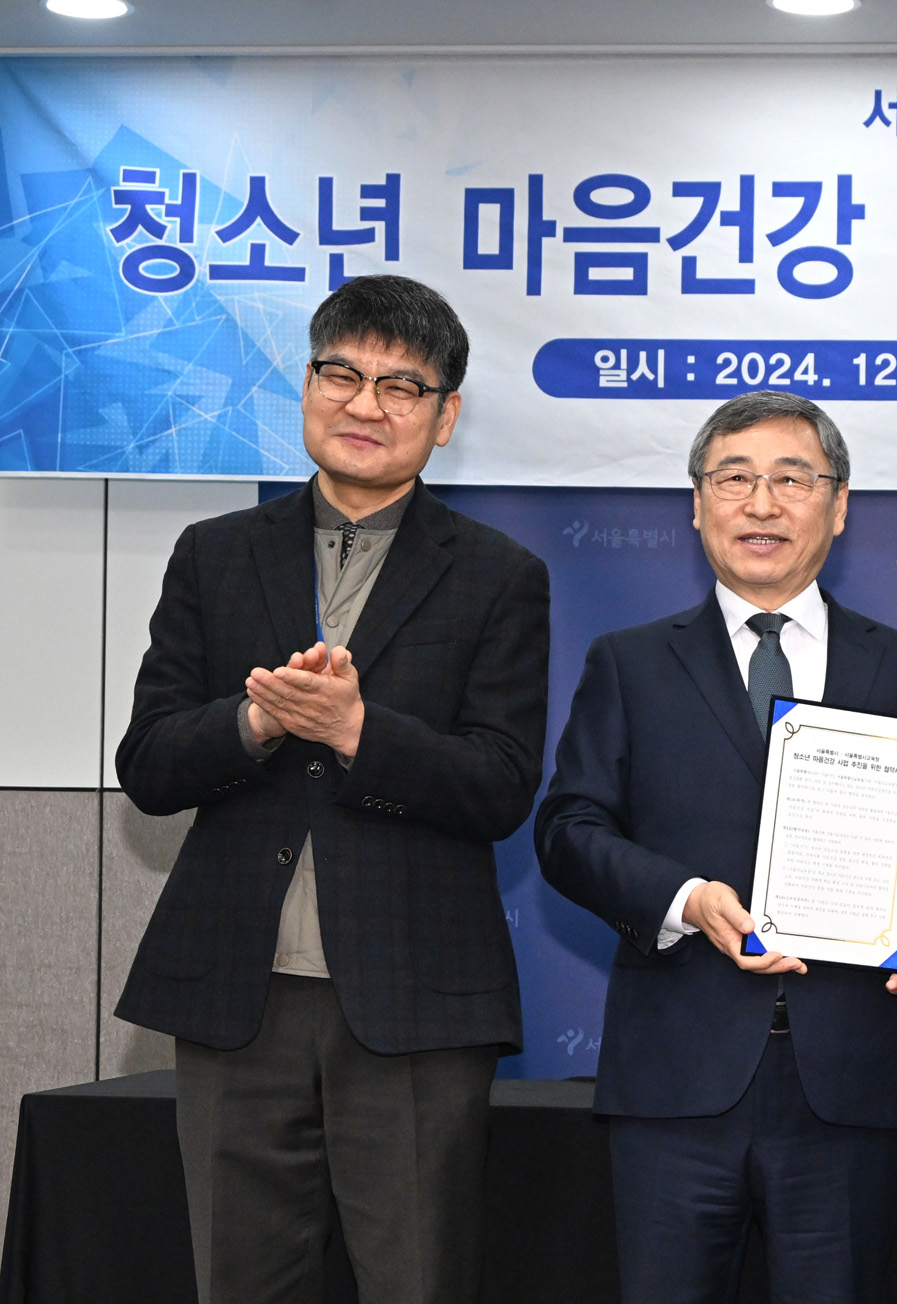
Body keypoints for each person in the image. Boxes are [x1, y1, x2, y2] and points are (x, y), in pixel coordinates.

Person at [115, 275, 551, 1304]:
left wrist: (360, 732)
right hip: (236, 992)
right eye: (341, 374)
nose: (366, 404)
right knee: (239, 1281)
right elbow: (150, 763)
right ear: (307, 387)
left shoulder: (499, 574)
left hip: (414, 1005)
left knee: (415, 1281)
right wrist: (256, 720)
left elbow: (500, 784)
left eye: (402, 386)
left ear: (445, 416)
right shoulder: (215, 553)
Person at [535, 390, 897, 1304]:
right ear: (696, 504)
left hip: (845, 1085)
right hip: (674, 1083)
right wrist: (684, 898)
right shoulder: (629, 661)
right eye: (734, 479)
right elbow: (567, 831)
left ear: (838, 507)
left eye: (792, 480)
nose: (762, 504)